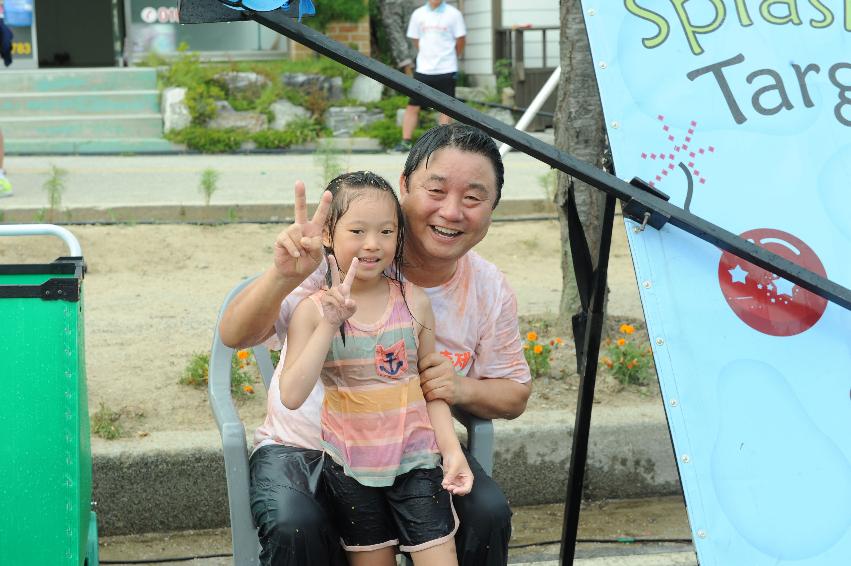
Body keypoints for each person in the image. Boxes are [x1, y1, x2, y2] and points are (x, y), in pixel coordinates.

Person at [220, 123, 531, 566]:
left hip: (411, 452)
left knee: (487, 511)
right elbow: (236, 334)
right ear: (404, 186)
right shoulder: (337, 261)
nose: (452, 211)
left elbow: (515, 392)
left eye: (474, 198)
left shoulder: (486, 287)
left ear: (493, 208)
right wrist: (285, 275)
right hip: (303, 447)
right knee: (296, 526)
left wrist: (457, 388)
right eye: (436, 190)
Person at [280, 171, 473, 565]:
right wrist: (330, 324)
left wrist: (452, 452)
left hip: (418, 462)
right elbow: (292, 394)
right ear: (329, 236)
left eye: (387, 231)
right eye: (358, 231)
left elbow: (429, 388)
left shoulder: (414, 302)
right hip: (351, 471)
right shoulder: (312, 311)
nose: (373, 244)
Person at [393, 0, 466, 153]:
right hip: (424, 69)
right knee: (413, 106)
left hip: (446, 68)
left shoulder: (454, 14)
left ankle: (441, 144)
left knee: (446, 108)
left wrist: (452, 57)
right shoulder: (418, 14)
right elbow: (415, 39)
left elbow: (460, 40)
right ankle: (405, 141)